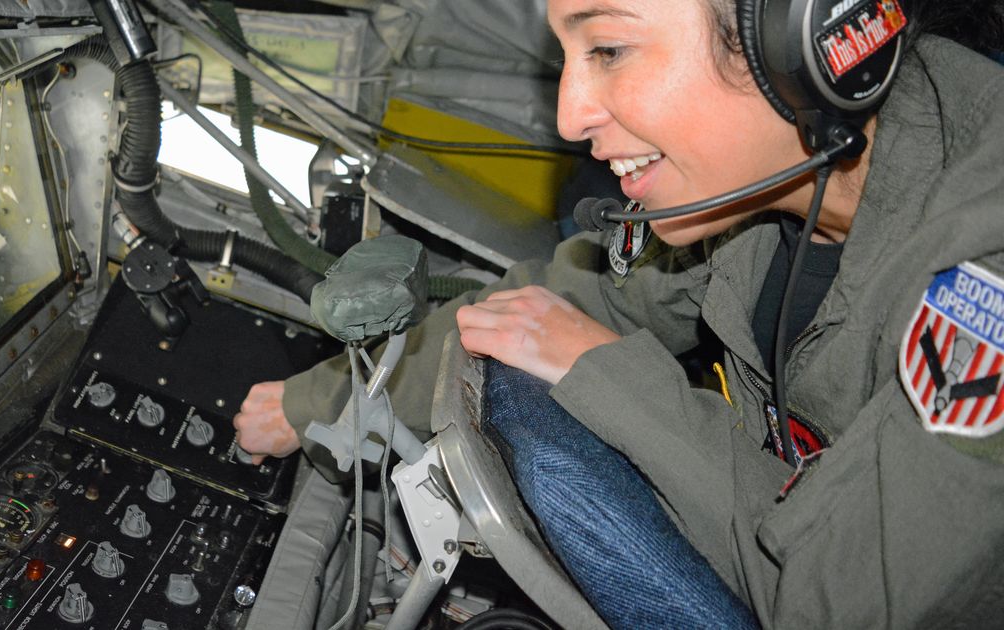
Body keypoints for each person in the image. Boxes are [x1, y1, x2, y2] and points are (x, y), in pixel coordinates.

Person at [235, 0, 1004, 626]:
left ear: (804, 39)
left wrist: (605, 373)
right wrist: (316, 402)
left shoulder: (985, 281)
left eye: (608, 49)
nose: (570, 116)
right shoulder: (744, 193)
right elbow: (566, 301)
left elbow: (835, 601)